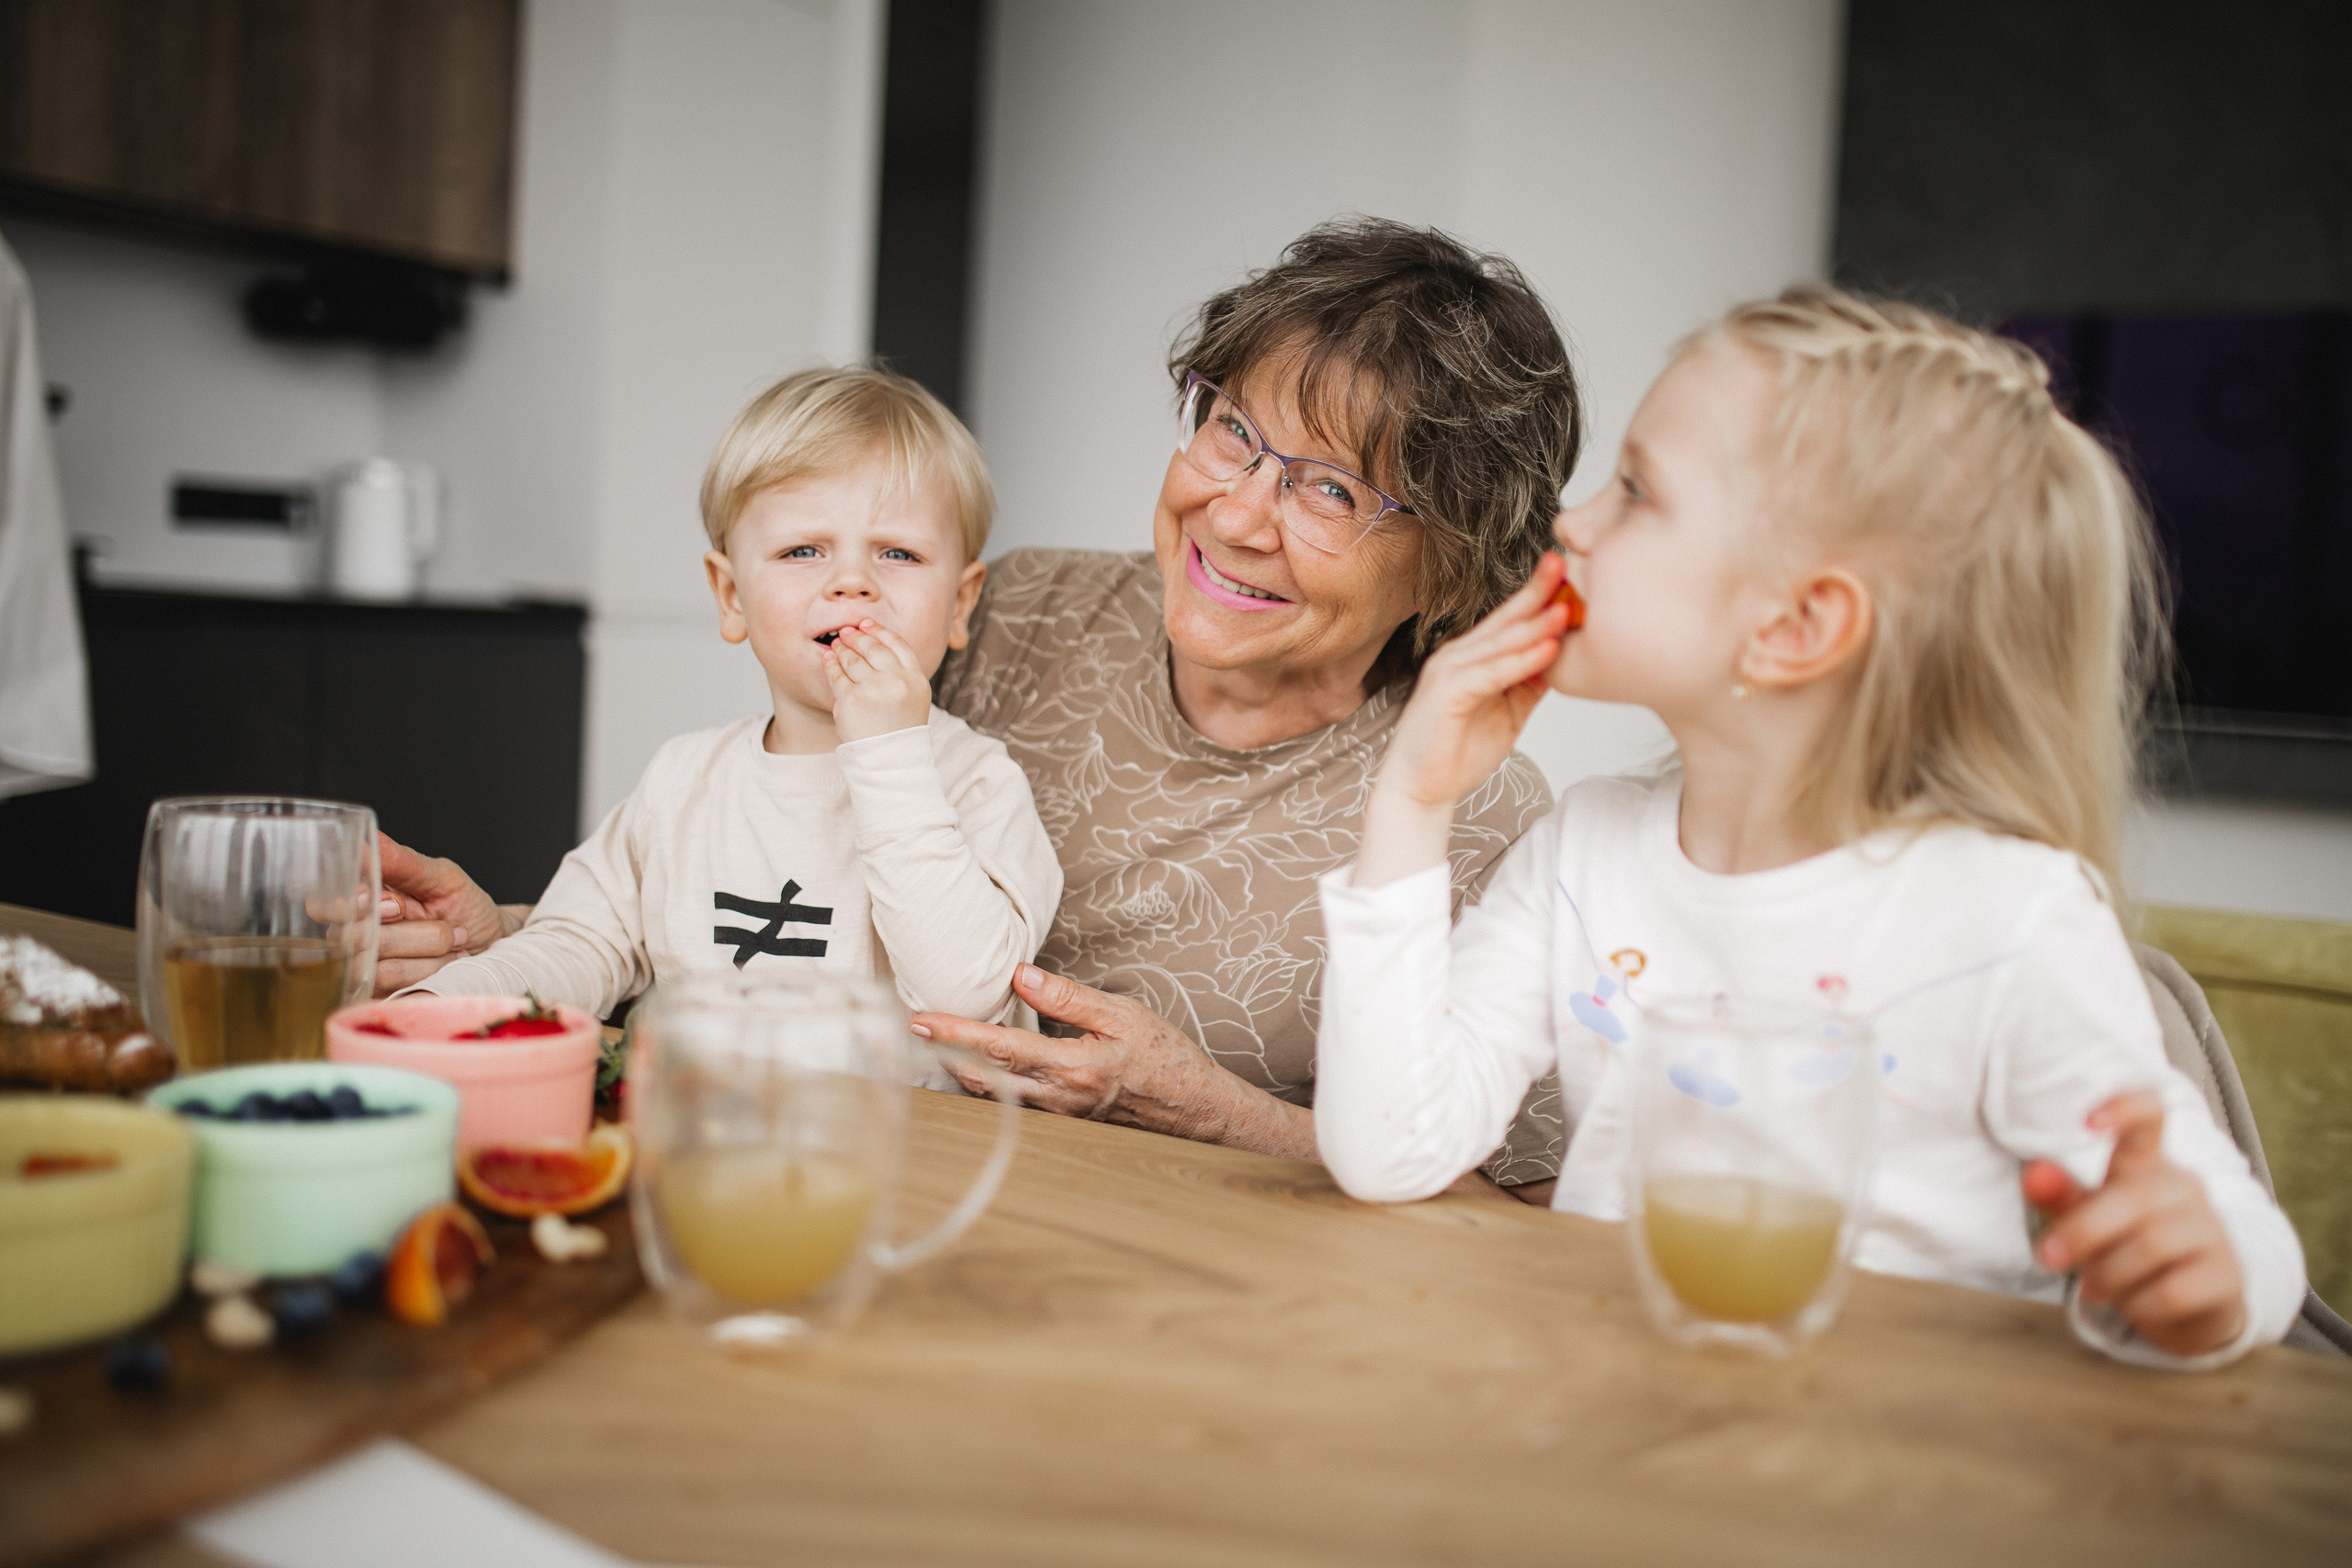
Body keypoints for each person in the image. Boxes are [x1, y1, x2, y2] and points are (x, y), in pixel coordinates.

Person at [373, 219, 1577, 1192]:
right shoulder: (1025, 607)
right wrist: (512, 943)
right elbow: (787, 874)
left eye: (1329, 487)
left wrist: (1215, 1110)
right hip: (849, 1183)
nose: (1240, 513)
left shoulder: (1471, 812)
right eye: (1233, 432)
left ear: (1449, 560)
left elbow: (1504, 1203)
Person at [1313, 287, 2306, 1364]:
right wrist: (1411, 804)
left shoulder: (2006, 917)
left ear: (1795, 628)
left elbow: (2238, 1233)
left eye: (1637, 492)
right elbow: (1386, 1151)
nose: (1570, 520)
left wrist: (2208, 1279)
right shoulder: (1583, 855)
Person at [398, 367, 1061, 1043]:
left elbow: (968, 1000)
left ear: (959, 603)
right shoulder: (683, 781)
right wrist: (433, 1005)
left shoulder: (980, 783)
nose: (853, 582)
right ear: (731, 595)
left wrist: (890, 756)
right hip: (705, 1135)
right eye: (803, 549)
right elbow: (574, 944)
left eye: (899, 552)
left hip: (907, 1143)